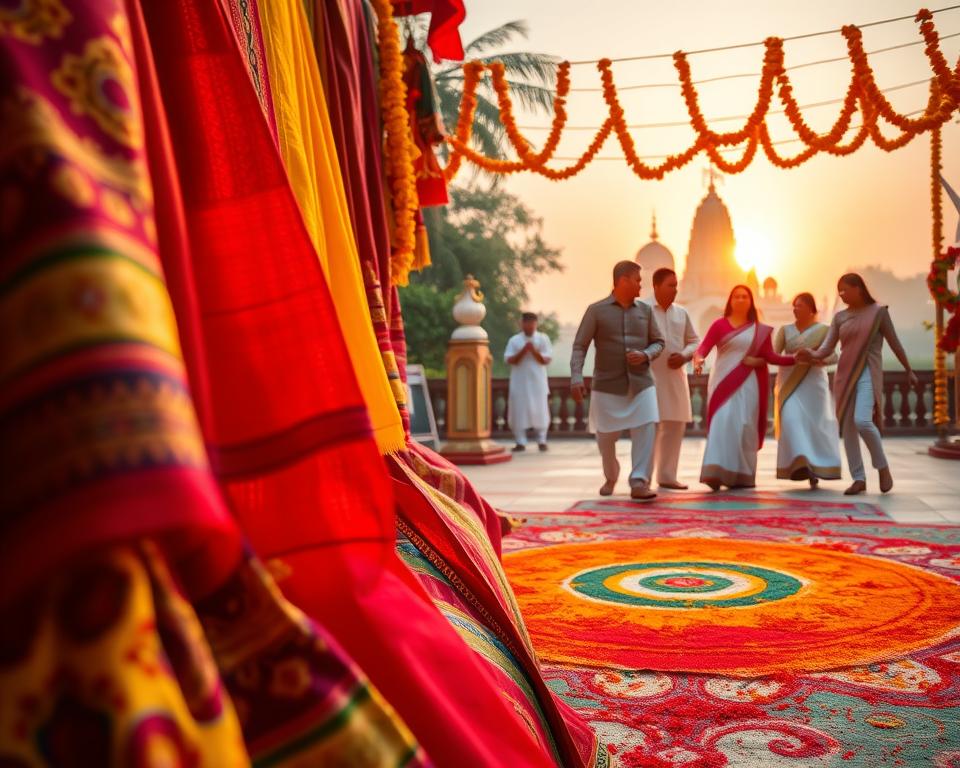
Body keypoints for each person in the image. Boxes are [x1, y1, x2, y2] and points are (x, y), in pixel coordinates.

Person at [797, 273, 918, 495]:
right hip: (844, 375)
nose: (841, 294)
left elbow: (894, 343)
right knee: (848, 429)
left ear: (859, 288)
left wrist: (908, 369)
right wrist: (810, 354)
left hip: (868, 374)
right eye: (839, 291)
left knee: (862, 421)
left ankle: (882, 467)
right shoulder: (840, 318)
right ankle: (858, 478)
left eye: (845, 290)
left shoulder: (878, 313)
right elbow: (827, 348)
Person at [571, 261, 665, 500]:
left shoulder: (645, 311)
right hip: (607, 384)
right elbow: (580, 346)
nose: (641, 286)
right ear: (623, 280)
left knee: (647, 426)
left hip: (642, 382)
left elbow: (659, 342)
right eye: (637, 280)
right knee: (605, 437)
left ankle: (639, 481)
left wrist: (645, 354)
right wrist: (576, 377)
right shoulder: (596, 310)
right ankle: (611, 475)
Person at [693, 285, 795, 490]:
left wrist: (796, 359)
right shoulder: (719, 325)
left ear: (751, 301)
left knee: (743, 426)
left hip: (749, 384)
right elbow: (703, 347)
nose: (740, 300)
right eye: (737, 296)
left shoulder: (759, 330)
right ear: (730, 300)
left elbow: (771, 357)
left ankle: (741, 475)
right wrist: (698, 359)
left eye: (745, 297)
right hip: (722, 381)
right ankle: (715, 472)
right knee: (722, 422)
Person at [773, 293, 842, 487]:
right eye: (794, 306)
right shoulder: (785, 331)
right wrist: (793, 359)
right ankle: (798, 462)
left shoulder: (824, 330)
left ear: (812, 309)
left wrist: (813, 357)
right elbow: (773, 355)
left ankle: (814, 468)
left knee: (813, 426)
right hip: (789, 384)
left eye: (800, 306)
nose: (795, 309)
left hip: (814, 384)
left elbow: (833, 357)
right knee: (791, 418)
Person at [645, 268, 700, 490]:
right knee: (650, 426)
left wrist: (685, 356)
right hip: (649, 376)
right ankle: (643, 477)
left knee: (675, 425)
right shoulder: (643, 310)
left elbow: (694, 340)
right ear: (656, 286)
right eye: (670, 285)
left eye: (676, 285)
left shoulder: (681, 313)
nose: (675, 290)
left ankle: (667, 476)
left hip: (676, 376)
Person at [504, 312, 553, 452]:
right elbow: (510, 360)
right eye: (527, 324)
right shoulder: (515, 340)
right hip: (519, 383)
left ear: (535, 324)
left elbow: (546, 360)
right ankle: (520, 441)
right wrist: (524, 351)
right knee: (519, 411)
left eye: (532, 325)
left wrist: (534, 351)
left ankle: (542, 440)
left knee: (540, 410)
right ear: (522, 324)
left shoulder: (543, 339)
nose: (530, 327)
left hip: (538, 383)